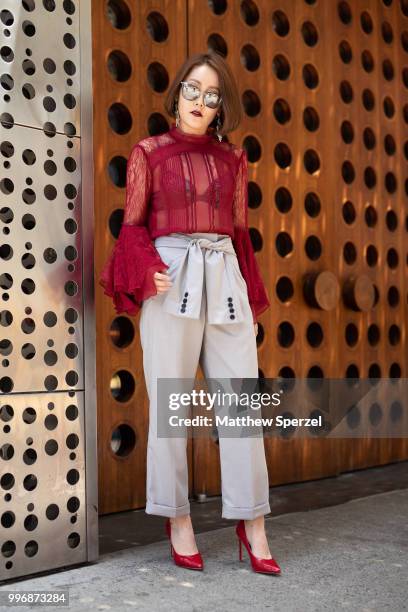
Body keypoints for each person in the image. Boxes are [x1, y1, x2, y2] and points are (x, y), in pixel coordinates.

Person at [100, 51, 281, 575]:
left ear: (221, 105)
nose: (200, 101)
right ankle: (178, 518)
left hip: (225, 275)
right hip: (171, 276)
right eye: (193, 90)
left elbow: (240, 232)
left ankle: (253, 524)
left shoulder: (234, 159)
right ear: (177, 92)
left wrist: (249, 294)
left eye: (212, 94)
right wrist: (147, 267)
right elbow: (132, 226)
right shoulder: (148, 153)